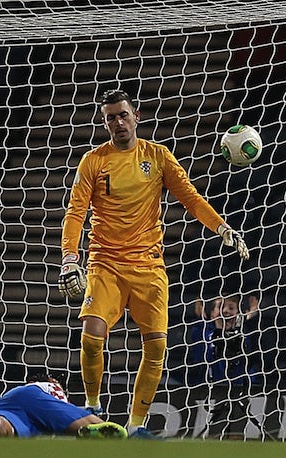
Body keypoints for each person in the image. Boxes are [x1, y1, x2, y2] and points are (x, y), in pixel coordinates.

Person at [58, 89, 250, 438]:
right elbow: (75, 213)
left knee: (157, 344)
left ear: (137, 116)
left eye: (123, 115)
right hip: (106, 262)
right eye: (111, 118)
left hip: (148, 265)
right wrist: (71, 258)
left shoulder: (158, 156)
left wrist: (222, 226)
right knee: (92, 335)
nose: (118, 122)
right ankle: (92, 406)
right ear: (105, 124)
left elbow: (190, 197)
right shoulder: (94, 161)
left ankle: (136, 425)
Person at [0, 374, 127, 438]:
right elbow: (59, 410)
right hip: (39, 400)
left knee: (3, 428)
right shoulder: (53, 390)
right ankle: (87, 432)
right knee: (94, 422)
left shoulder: (19, 390)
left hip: (7, 403)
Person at [198, 294, 262, 438]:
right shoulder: (202, 333)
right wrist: (218, 331)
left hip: (240, 391)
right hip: (209, 390)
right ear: (211, 313)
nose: (225, 312)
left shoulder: (245, 336)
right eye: (220, 307)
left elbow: (250, 361)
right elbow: (201, 360)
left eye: (231, 308)